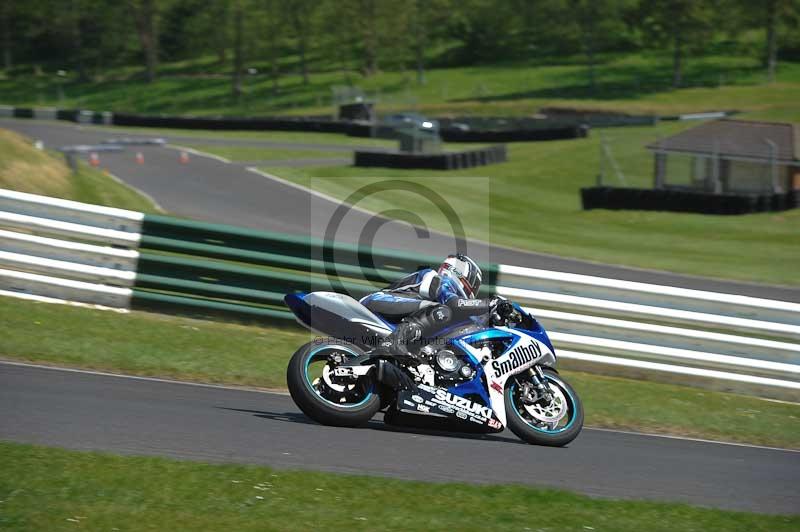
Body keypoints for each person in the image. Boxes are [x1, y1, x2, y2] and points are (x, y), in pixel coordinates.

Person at [360, 254, 514, 359]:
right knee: (441, 311)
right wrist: (491, 303)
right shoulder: (439, 280)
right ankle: (393, 344)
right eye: (474, 284)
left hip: (392, 314)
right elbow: (456, 304)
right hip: (378, 302)